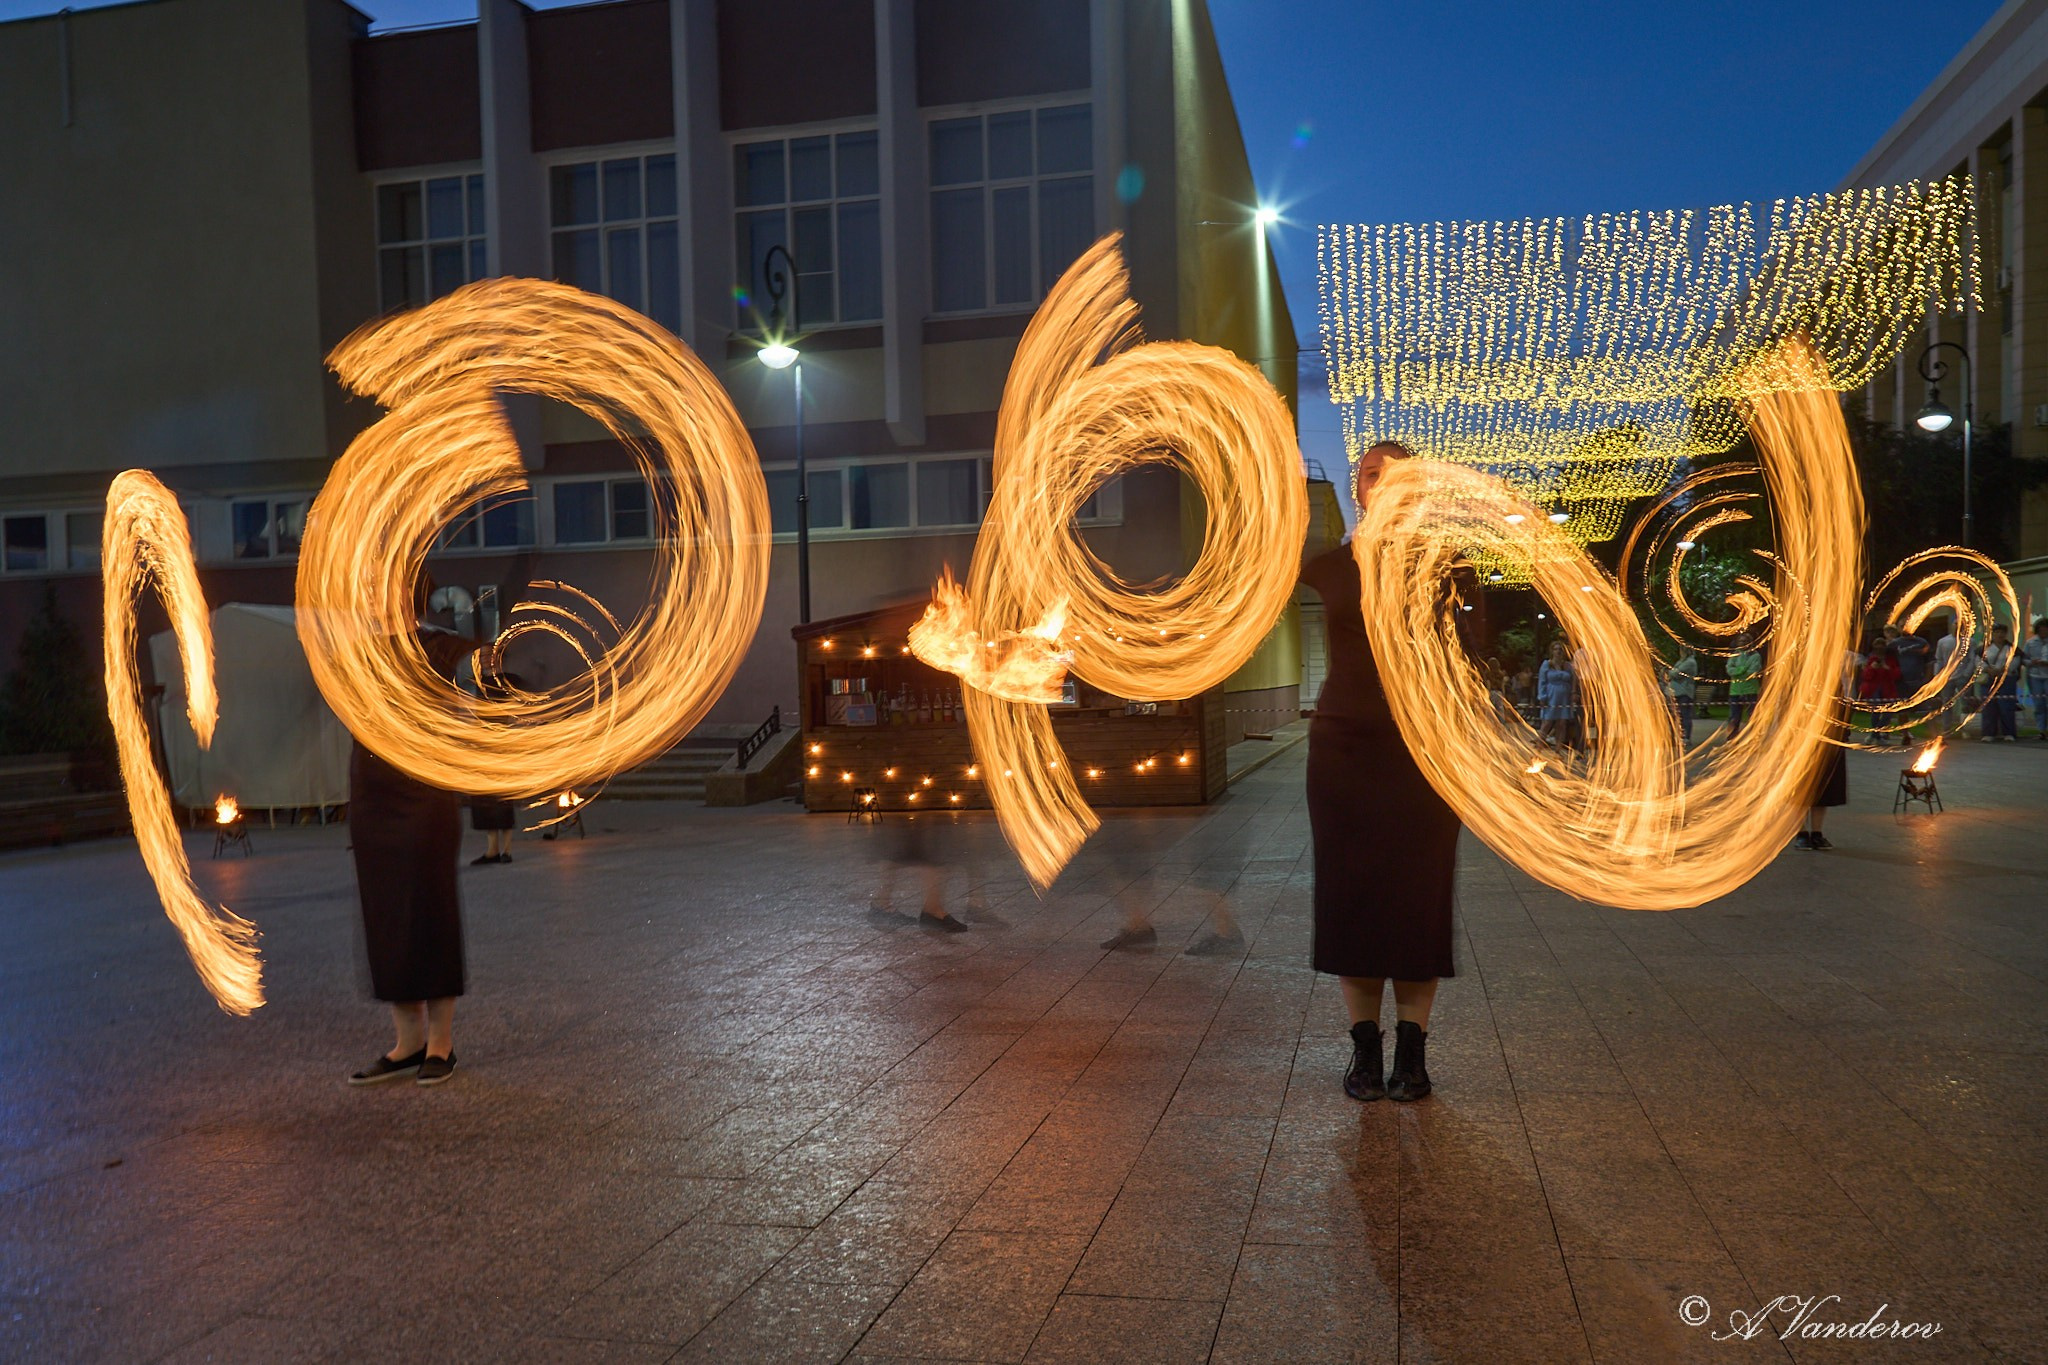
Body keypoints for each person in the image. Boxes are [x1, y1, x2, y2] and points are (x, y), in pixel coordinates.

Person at [1302, 441, 1459, 1103]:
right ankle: (1366, 1051)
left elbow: (1468, 663)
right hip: (1343, 753)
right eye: (1371, 474)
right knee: (1353, 903)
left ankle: (1413, 1054)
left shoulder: (1444, 568)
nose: (1383, 482)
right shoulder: (1331, 568)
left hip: (1423, 755)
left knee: (1416, 904)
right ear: (1359, 491)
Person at [348, 582, 477, 1087]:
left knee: (429, 909)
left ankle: (440, 1043)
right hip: (373, 797)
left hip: (424, 796)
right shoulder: (357, 654)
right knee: (385, 915)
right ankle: (407, 1043)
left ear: (408, 594)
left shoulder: (442, 648)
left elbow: (465, 717)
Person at [1796, 648, 1858, 851]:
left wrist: (1843, 729)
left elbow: (1846, 701)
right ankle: (1802, 832)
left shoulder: (1838, 681)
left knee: (1825, 788)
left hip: (1830, 739)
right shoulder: (1805, 684)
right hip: (1805, 740)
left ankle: (1817, 832)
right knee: (1803, 787)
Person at [466, 660, 522, 864]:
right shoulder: (481, 683)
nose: (483, 661)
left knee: (502, 800)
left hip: (500, 749)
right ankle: (493, 850)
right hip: (485, 749)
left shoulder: (507, 681)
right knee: (486, 800)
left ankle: (505, 850)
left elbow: (515, 708)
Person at [1978, 623, 2019, 742]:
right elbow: (1978, 661)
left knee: (2007, 706)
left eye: (2002, 632)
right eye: (1997, 632)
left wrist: (2003, 669)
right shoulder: (1984, 648)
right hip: (1989, 679)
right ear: (1992, 634)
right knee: (1988, 706)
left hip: (2007, 679)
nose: (1999, 635)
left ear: (2005, 634)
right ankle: (1988, 733)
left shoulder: (2011, 648)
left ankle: (2009, 733)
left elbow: (2015, 662)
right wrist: (1988, 669)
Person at [1856, 635, 1900, 738]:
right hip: (1873, 689)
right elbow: (1865, 676)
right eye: (1877, 645)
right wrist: (1871, 668)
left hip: (1887, 689)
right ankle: (1876, 735)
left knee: (1889, 712)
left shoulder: (1891, 659)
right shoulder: (1870, 659)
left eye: (1882, 645)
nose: (1880, 648)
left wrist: (1887, 668)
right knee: (1876, 711)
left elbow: (1897, 675)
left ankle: (1874, 734)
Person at [1536, 641, 1576, 749]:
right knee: (1547, 722)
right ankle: (1539, 747)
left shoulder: (1567, 666)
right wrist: (1542, 696)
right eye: (1556, 649)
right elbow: (1542, 681)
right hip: (1551, 695)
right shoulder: (1547, 664)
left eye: (1560, 649)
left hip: (1564, 697)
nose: (1558, 651)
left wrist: (1573, 693)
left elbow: (1573, 680)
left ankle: (1558, 749)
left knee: (1561, 723)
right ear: (1552, 651)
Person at [1725, 635, 1762, 738]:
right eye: (1740, 641)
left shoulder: (1755, 656)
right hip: (1735, 690)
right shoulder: (1734, 655)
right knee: (1734, 716)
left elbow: (1752, 672)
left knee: (1752, 715)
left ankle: (1754, 736)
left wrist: (1737, 671)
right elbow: (1729, 670)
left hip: (1750, 689)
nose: (1742, 643)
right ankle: (1732, 736)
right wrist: (1743, 669)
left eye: (1745, 641)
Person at [1667, 649, 1699, 746]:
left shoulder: (1690, 662)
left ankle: (1686, 737)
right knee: (1676, 716)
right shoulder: (1681, 661)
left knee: (1685, 715)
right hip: (1676, 692)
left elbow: (1675, 674)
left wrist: (1671, 672)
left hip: (1684, 692)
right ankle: (1677, 736)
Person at [2023, 618, 2048, 740]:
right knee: (2039, 704)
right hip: (2035, 676)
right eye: (2041, 630)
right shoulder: (2030, 643)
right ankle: (2041, 730)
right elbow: (2024, 659)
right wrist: (2031, 662)